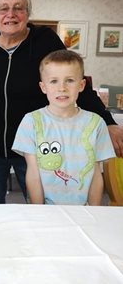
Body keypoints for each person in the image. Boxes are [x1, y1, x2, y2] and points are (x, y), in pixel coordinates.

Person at [0, 0, 123, 204]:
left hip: (38, 147)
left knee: (40, 207)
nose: (11, 14)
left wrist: (108, 121)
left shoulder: (45, 41)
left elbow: (75, 79)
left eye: (18, 8)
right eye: (3, 9)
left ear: (27, 14)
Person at [12, 50, 115, 205]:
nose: (62, 88)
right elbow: (33, 173)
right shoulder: (31, 122)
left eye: (70, 80)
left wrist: (94, 210)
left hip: (84, 209)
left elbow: (95, 174)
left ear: (81, 85)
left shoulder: (96, 123)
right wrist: (39, 210)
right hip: (46, 209)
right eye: (54, 81)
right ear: (43, 87)